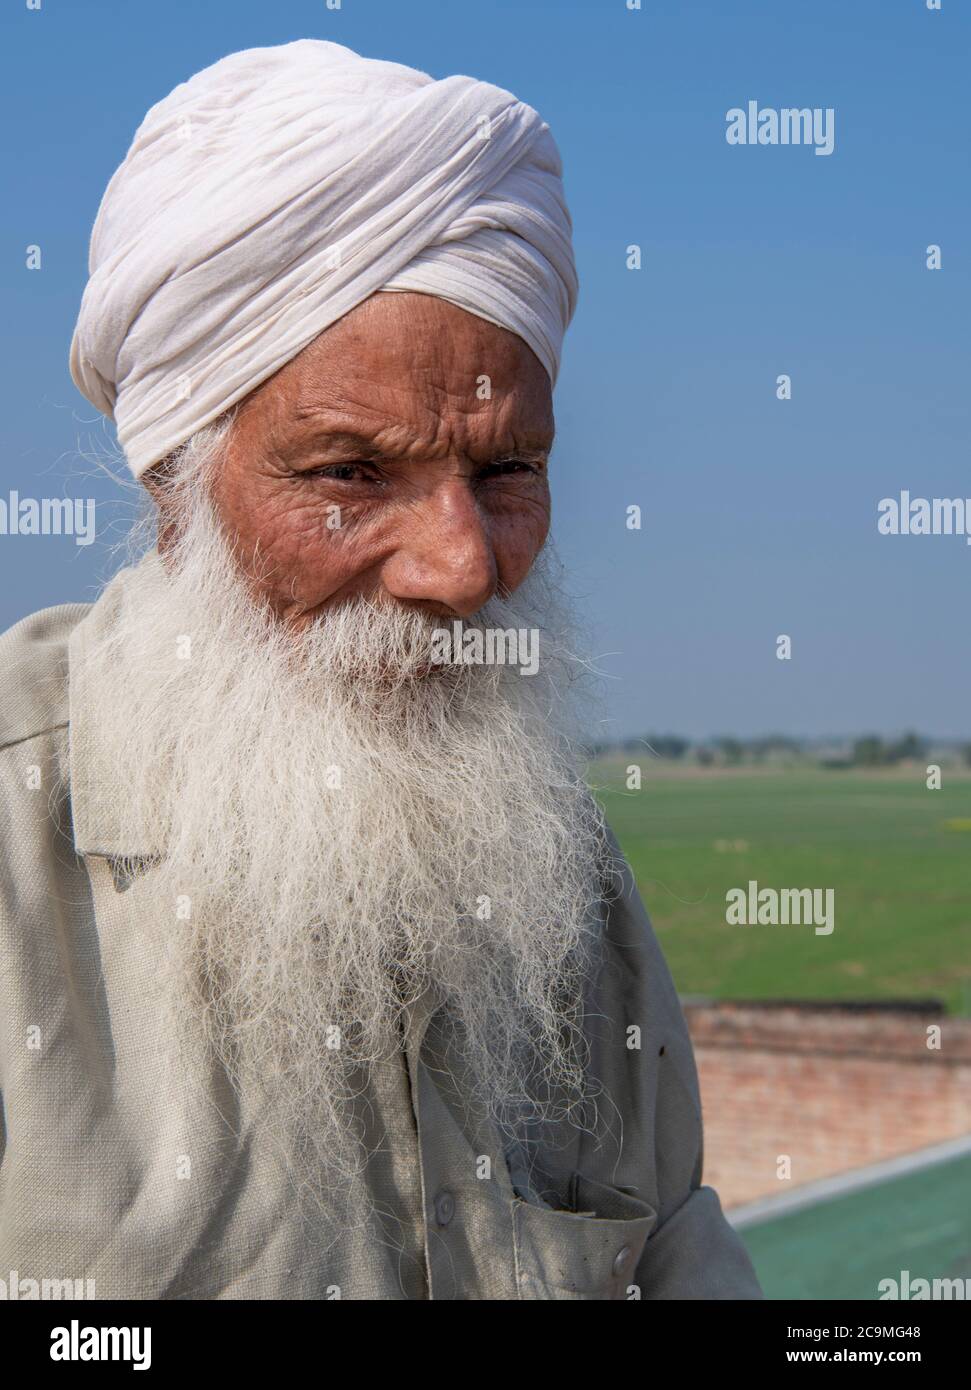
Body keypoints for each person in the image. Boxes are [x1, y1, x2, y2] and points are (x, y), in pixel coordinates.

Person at [0, 39, 761, 1300]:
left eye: (507, 471)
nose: (463, 569)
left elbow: (677, 1249)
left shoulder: (547, 855)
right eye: (351, 474)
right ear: (175, 485)